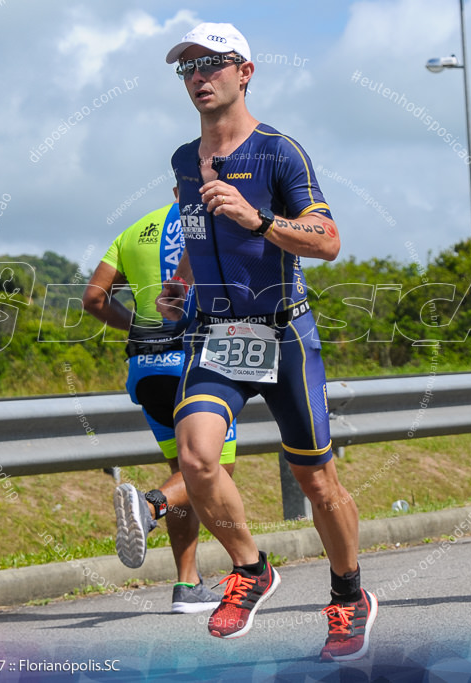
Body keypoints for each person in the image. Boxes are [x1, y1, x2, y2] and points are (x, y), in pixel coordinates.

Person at [157, 22, 376, 662]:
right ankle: (250, 569)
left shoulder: (281, 152)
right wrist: (178, 286)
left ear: (244, 72)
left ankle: (348, 592)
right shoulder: (181, 159)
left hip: (283, 335)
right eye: (188, 68)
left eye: (212, 64)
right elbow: (200, 233)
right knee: (196, 459)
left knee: (317, 482)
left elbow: (328, 241)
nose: (199, 76)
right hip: (215, 334)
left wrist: (259, 219)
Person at [82, 195, 238, 614]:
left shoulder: (132, 231)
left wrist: (139, 325)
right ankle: (149, 504)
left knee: (184, 472)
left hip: (145, 369)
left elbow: (94, 299)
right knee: (213, 471)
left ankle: (187, 585)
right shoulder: (217, 221)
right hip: (197, 365)